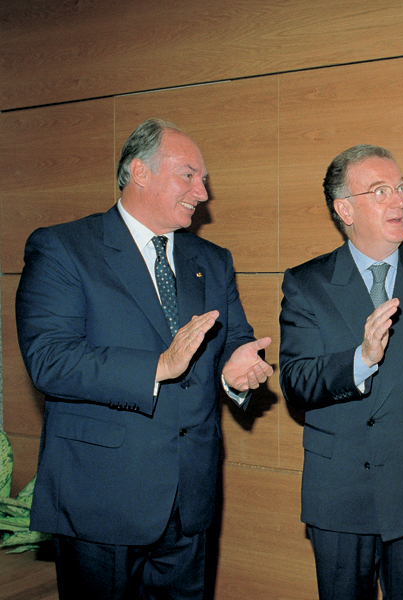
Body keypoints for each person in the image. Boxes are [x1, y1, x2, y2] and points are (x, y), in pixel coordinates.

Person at [15, 118, 274, 599]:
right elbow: (49, 359)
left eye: (204, 180)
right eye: (189, 175)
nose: (202, 192)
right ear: (140, 172)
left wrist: (237, 372)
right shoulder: (64, 248)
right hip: (101, 498)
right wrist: (158, 367)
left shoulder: (211, 259)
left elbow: (234, 341)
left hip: (190, 501)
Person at [279, 144, 403, 600]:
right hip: (343, 490)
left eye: (401, 190)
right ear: (344, 209)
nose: (398, 202)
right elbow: (295, 382)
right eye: (380, 191)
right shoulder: (307, 283)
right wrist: (361, 359)